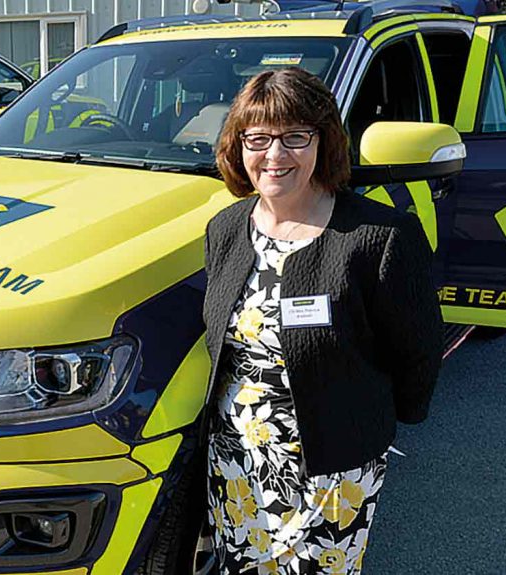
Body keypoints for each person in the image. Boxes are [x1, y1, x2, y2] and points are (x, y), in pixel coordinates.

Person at [201, 67, 442, 573]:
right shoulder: (225, 229)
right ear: (238, 145)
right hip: (236, 458)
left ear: (324, 141)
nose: (274, 155)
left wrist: (371, 426)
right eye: (259, 138)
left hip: (332, 465)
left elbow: (417, 348)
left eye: (295, 137)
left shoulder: (380, 237)